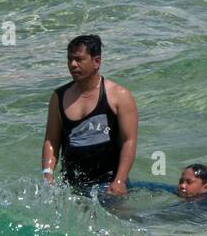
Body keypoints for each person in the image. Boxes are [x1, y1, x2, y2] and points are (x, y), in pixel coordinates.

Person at [42, 34, 138, 195]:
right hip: (71, 184)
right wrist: (47, 174)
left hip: (108, 183)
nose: (72, 65)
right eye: (70, 59)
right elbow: (51, 140)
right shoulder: (59, 97)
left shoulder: (119, 96)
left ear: (97, 61)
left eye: (79, 59)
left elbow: (129, 141)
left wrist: (120, 181)